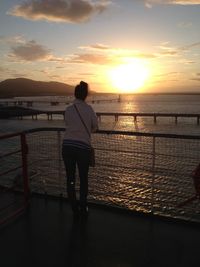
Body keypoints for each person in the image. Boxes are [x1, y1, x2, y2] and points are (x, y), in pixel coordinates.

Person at [62, 81, 98, 218]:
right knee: (83, 179)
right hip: (83, 148)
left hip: (67, 147)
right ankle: (83, 207)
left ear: (75, 94)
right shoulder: (89, 109)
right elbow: (95, 126)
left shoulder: (68, 109)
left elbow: (67, 123)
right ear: (86, 95)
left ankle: (74, 208)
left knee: (70, 179)